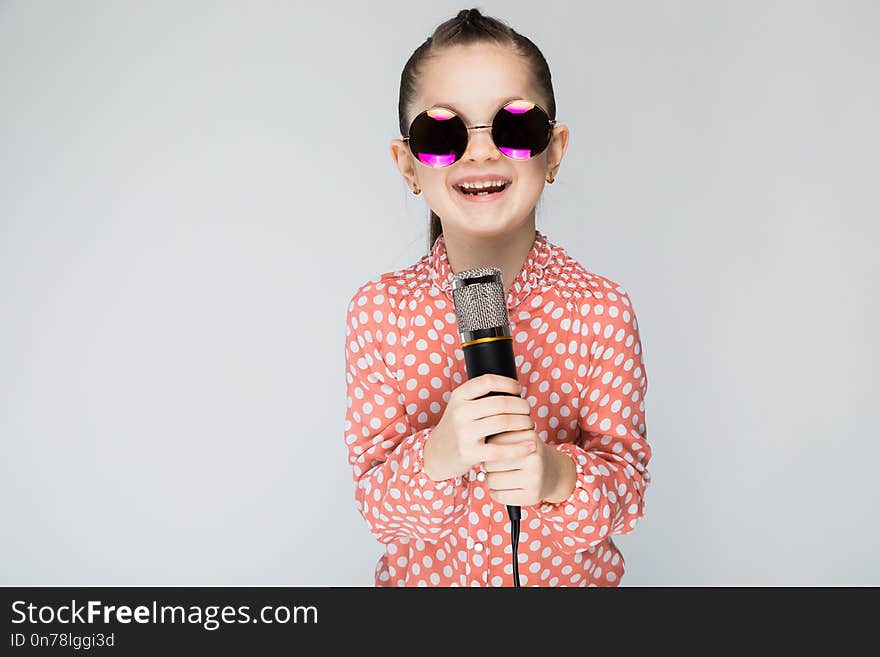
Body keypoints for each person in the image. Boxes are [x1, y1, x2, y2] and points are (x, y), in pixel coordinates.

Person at [343, 8, 652, 587]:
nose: (480, 154)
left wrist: (556, 475)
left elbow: (628, 492)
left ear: (553, 150)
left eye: (512, 127)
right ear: (407, 163)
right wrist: (437, 456)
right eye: (443, 132)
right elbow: (376, 506)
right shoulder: (380, 314)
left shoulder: (600, 311)